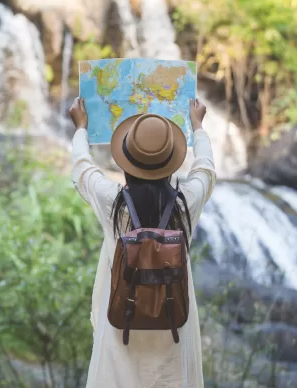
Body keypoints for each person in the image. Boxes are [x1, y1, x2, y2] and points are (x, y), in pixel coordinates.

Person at [68, 97, 216, 388]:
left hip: (122, 325)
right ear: (170, 163)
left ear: (126, 162)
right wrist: (198, 126)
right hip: (174, 323)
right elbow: (207, 170)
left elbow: (82, 169)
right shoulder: (186, 205)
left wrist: (80, 128)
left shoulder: (113, 204)